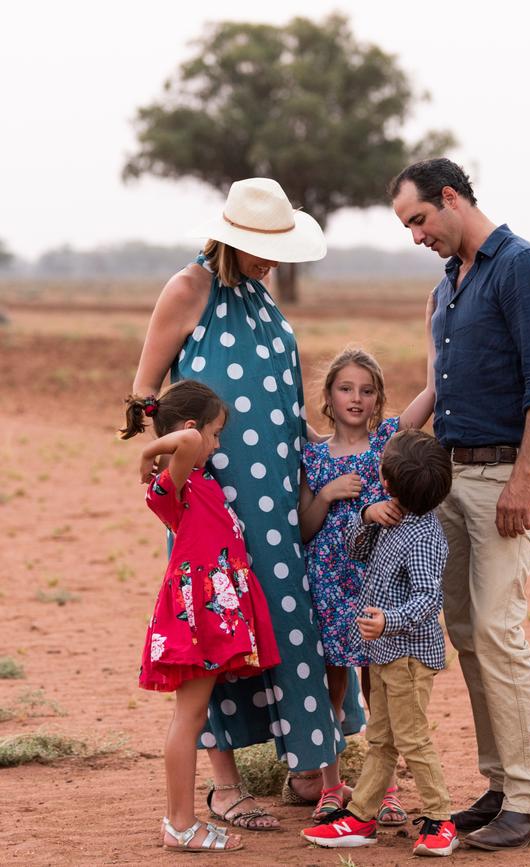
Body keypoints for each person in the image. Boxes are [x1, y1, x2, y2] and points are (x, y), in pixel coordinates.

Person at [132, 177, 365, 831]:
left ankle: (308, 763)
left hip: (277, 501)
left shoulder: (258, 297)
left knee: (286, 618)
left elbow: (281, 411)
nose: (272, 258)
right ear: (232, 239)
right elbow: (146, 395)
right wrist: (182, 472)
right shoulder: (190, 290)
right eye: (263, 247)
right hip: (214, 507)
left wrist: (340, 448)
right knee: (216, 629)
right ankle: (224, 785)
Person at [389, 158, 530, 851]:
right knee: (465, 629)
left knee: (497, 628)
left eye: (419, 219)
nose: (416, 235)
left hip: (507, 478)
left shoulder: (522, 267)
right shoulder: (451, 283)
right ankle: (500, 786)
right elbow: (445, 384)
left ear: (451, 198)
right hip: (454, 477)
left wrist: (525, 477)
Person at [119, 380, 281, 853]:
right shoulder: (172, 483)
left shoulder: (197, 482)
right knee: (188, 719)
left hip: (211, 613)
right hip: (199, 615)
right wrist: (149, 452)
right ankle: (180, 825)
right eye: (216, 434)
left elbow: (189, 441)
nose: (215, 445)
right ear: (191, 429)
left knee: (190, 717)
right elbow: (187, 442)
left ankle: (181, 822)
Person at [301, 429, 458, 857]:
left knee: (412, 738)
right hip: (385, 653)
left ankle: (440, 819)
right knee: (382, 738)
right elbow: (357, 552)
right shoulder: (394, 517)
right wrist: (366, 516)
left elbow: (428, 599)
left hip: (408, 656)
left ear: (386, 480)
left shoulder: (424, 536)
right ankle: (362, 815)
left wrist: (389, 619)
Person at [299, 341, 435, 823]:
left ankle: (387, 787)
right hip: (332, 585)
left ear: (379, 399)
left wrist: (435, 330)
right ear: (329, 397)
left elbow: (431, 394)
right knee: (332, 686)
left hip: (379, 586)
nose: (356, 398)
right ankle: (331, 786)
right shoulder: (313, 454)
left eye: (367, 390)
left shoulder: (389, 443)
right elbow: (305, 526)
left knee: (381, 686)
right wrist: (330, 493)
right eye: (345, 388)